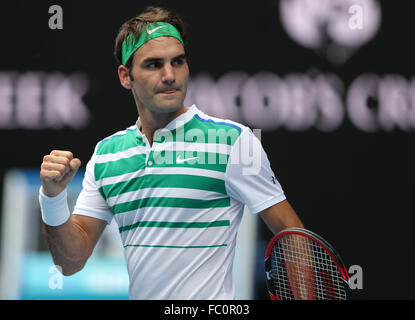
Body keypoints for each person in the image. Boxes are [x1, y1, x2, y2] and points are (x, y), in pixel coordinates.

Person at [39, 6, 304, 300]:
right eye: (153, 65)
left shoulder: (232, 141)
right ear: (126, 76)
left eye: (177, 62)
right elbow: (70, 262)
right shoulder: (106, 154)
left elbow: (291, 235)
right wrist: (52, 197)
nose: (170, 75)